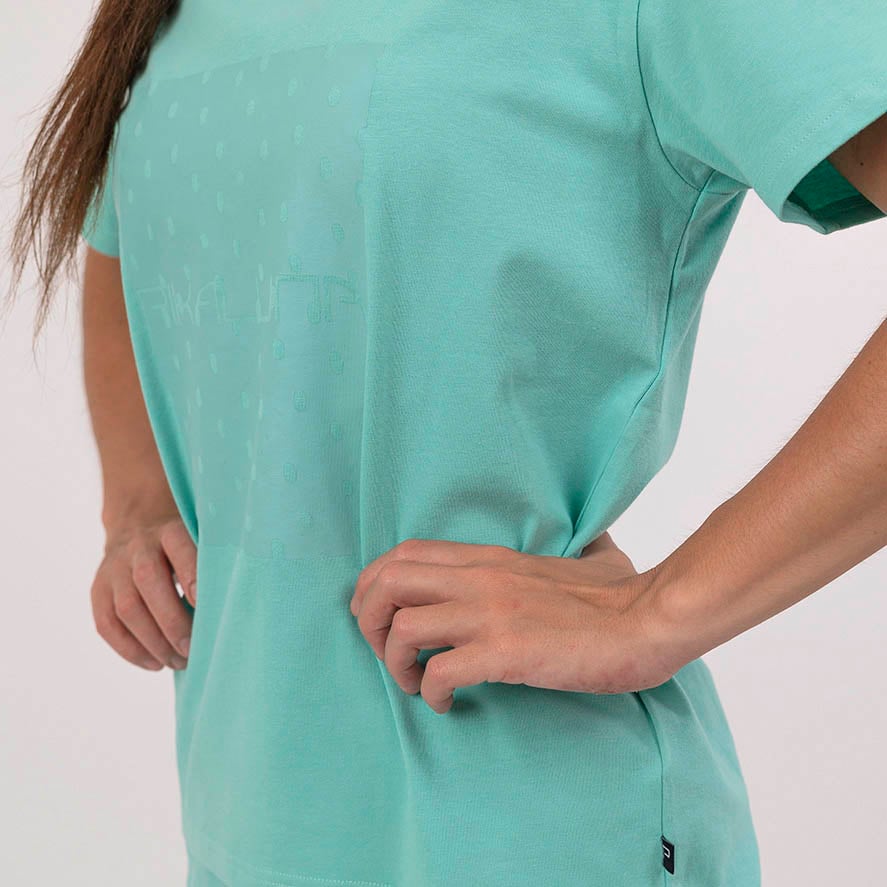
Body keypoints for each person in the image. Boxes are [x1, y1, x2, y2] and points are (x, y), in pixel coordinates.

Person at [6, 0, 887, 884]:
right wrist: (136, 503)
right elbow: (118, 236)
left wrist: (655, 612)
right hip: (247, 817)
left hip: (527, 829)